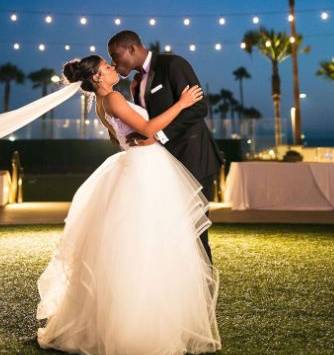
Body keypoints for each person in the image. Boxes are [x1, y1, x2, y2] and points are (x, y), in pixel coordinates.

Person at [36, 55, 221, 355]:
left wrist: (139, 137)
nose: (112, 68)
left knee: (139, 243)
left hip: (137, 163)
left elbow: (127, 135)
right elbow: (148, 129)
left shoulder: (103, 102)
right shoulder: (113, 99)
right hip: (144, 169)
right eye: (107, 68)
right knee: (147, 243)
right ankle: (140, 325)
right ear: (97, 78)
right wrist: (182, 103)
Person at [108, 30, 224, 264]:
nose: (113, 62)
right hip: (164, 165)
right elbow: (148, 121)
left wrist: (159, 136)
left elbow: (199, 108)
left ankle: (205, 293)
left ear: (132, 49)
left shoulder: (173, 65)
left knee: (195, 229)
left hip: (193, 159)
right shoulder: (135, 83)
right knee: (171, 229)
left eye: (115, 55)